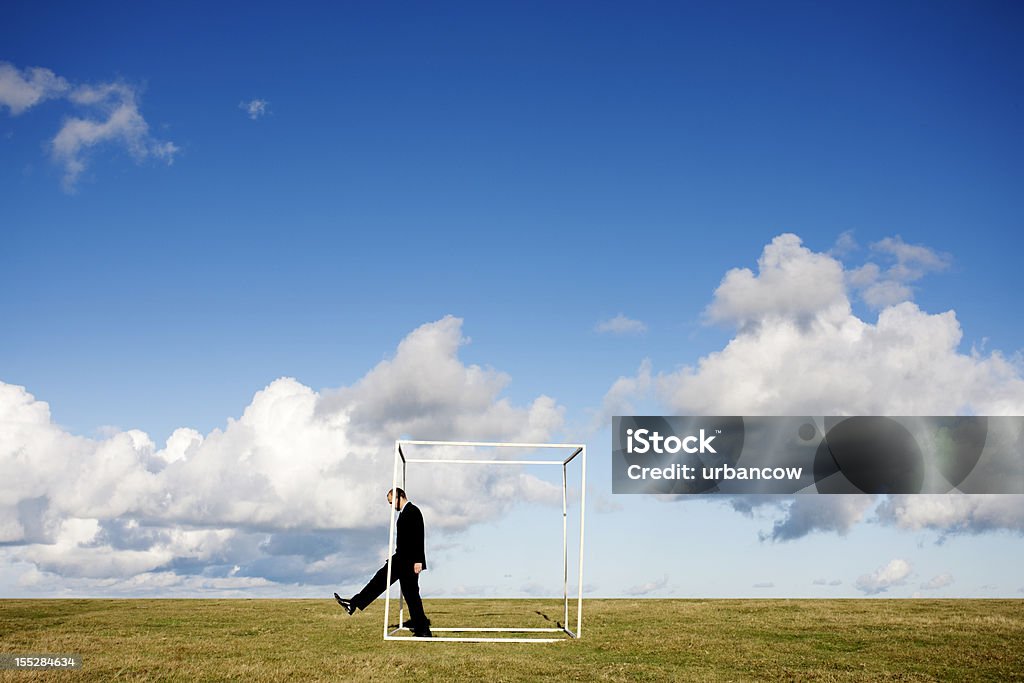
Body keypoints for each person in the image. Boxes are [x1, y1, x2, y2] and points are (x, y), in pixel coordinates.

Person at [334, 487, 432, 637]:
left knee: (401, 590)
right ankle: (353, 604)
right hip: (401, 559)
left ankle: (422, 630)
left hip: (408, 561)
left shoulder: (413, 511)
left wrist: (419, 561)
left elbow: (419, 536)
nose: (392, 506)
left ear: (400, 497)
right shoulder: (404, 513)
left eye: (392, 502)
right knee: (392, 586)